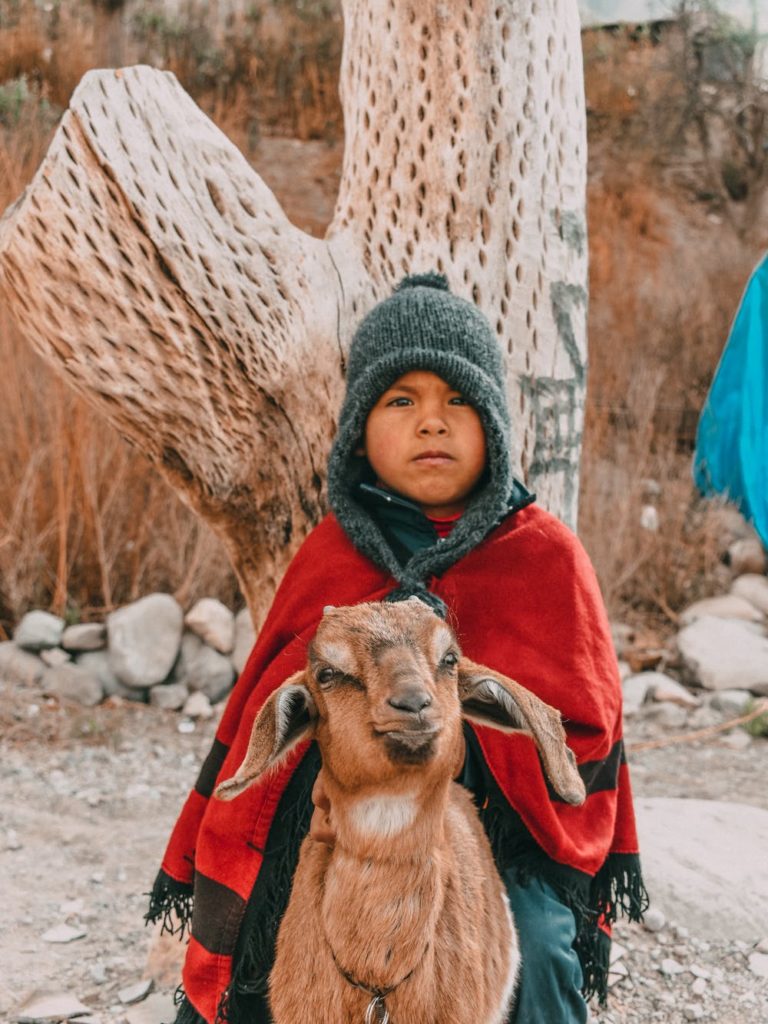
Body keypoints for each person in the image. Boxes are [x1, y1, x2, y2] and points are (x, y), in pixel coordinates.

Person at [147, 273, 647, 1024]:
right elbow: (272, 694)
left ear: (494, 426)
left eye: (458, 401)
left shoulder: (545, 557)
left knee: (539, 950)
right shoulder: (332, 553)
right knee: (259, 926)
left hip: (506, 831)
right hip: (338, 805)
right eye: (401, 401)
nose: (432, 424)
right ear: (359, 430)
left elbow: (583, 724)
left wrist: (461, 735)